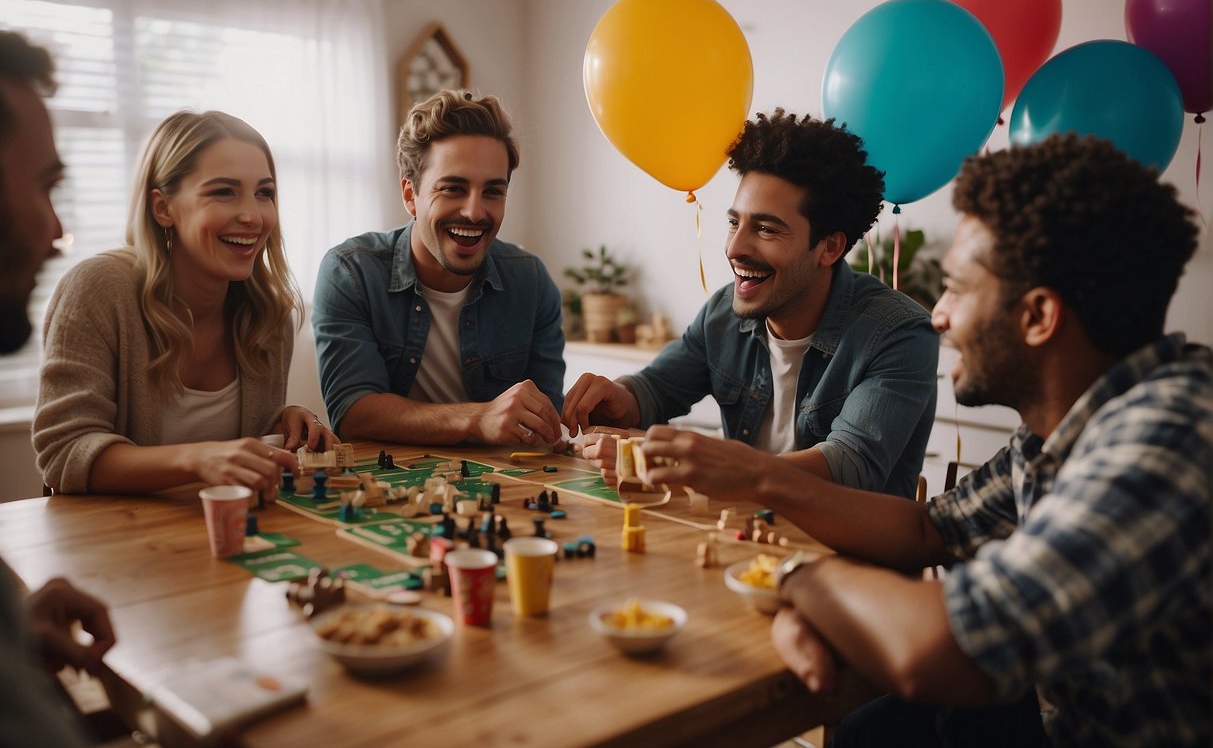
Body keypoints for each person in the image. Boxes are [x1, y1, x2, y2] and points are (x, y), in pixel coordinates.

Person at [654, 135, 1209, 747]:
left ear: (1038, 317)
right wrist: (759, 478)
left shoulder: (1165, 443)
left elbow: (943, 649)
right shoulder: (1057, 434)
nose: (938, 314)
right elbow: (926, 530)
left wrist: (799, 585)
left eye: (959, 288)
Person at [563, 110, 938, 498]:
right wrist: (618, 397)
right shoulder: (724, 312)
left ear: (830, 247)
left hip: (852, 555)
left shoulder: (899, 332)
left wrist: (691, 463)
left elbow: (849, 466)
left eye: (765, 229)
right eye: (733, 223)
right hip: (746, 545)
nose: (735, 248)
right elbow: (655, 389)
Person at [34, 109, 335, 494]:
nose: (253, 216)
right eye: (224, 191)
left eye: (264, 193)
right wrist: (197, 458)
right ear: (163, 208)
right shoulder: (97, 289)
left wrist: (282, 422)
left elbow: (237, 462)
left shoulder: (269, 314)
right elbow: (64, 453)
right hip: (110, 540)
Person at [312, 89, 565, 446]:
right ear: (409, 195)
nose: (475, 212)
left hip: (506, 485)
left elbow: (544, 418)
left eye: (493, 192)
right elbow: (353, 413)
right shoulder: (350, 273)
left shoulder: (531, 281)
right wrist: (478, 419)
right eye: (452, 189)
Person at [1, 29, 117, 747]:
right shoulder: (98, 286)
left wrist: (16, 628)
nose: (55, 231)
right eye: (45, 187)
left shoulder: (262, 303)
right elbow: (69, 452)